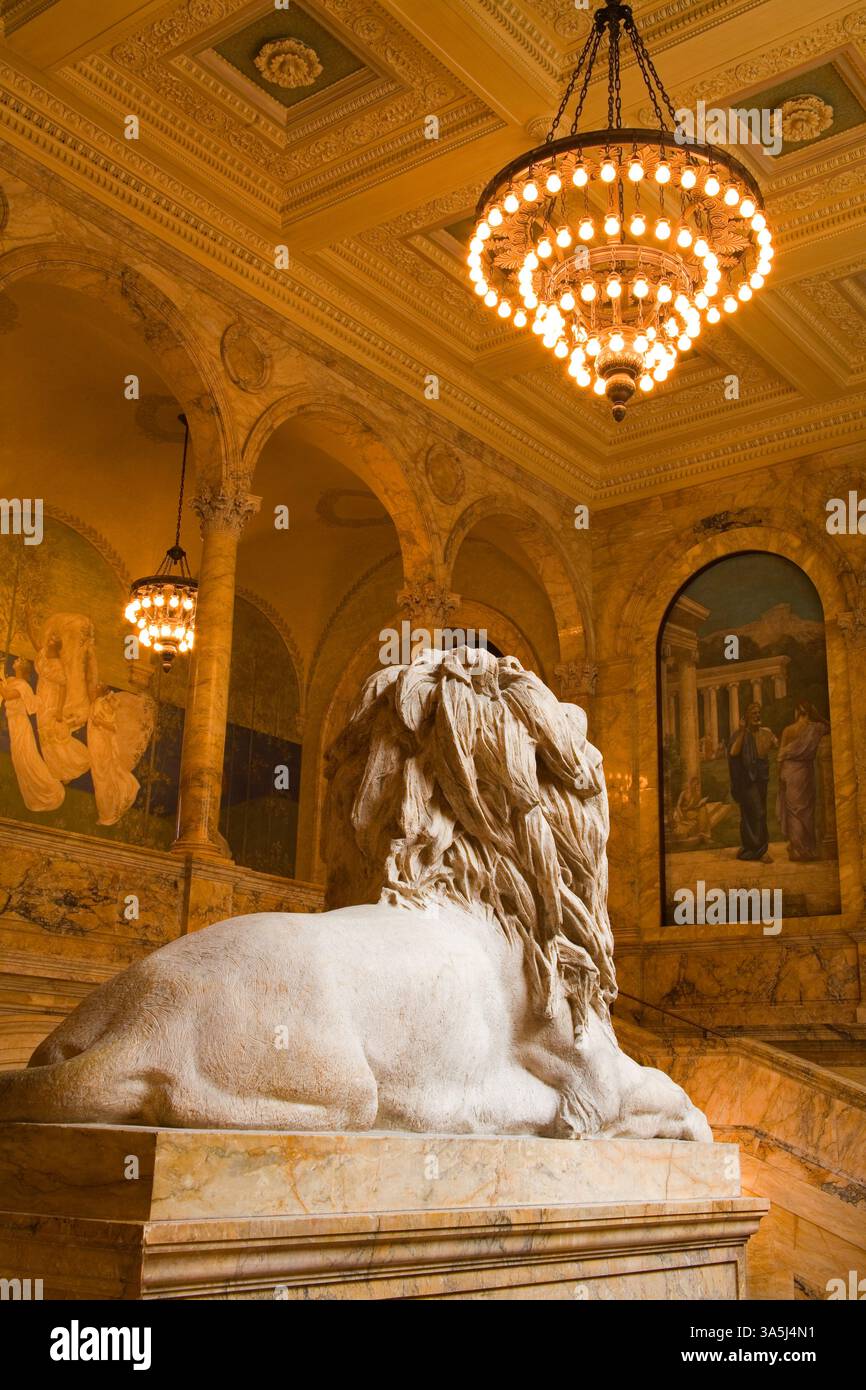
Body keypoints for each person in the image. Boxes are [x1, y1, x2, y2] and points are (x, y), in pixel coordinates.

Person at [0, 657, 65, 811]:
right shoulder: (11, 680)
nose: (16, 660)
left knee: (27, 757)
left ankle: (47, 786)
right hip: (13, 723)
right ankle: (33, 792)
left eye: (19, 660)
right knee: (18, 759)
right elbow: (4, 686)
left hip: (21, 724)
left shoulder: (23, 686)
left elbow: (8, 695)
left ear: (23, 668)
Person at [777, 700, 830, 861]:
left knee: (794, 811)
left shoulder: (788, 730)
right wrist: (818, 716)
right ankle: (807, 848)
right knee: (806, 811)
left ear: (797, 712)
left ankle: (797, 850)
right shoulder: (816, 728)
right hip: (806, 771)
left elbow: (780, 756)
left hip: (789, 771)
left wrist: (780, 776)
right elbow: (830, 725)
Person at [727, 701, 778, 862]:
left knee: (757, 813)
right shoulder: (741, 734)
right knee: (757, 812)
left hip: (762, 778)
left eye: (758, 713)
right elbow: (734, 752)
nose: (757, 715)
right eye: (753, 713)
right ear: (746, 717)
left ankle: (753, 848)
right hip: (748, 780)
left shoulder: (766, 732)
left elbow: (777, 745)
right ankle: (759, 850)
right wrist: (743, 730)